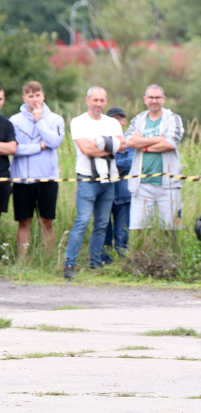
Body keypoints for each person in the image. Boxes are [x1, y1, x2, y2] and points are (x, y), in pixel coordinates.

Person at [64, 87, 126, 279]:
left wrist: (98, 144)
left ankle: (95, 263)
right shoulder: (79, 122)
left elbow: (122, 145)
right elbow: (85, 149)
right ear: (88, 100)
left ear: (105, 102)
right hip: (87, 179)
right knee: (82, 221)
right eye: (95, 100)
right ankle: (70, 263)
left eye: (102, 100)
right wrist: (108, 147)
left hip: (109, 179)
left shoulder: (112, 123)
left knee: (101, 223)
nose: (98, 104)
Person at [9, 81, 64, 259]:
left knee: (46, 222)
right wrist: (38, 147)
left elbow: (54, 142)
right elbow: (14, 149)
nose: (35, 99)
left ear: (43, 96)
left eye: (38, 95)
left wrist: (39, 120)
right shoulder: (14, 121)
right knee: (24, 222)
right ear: (25, 98)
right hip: (22, 180)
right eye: (31, 96)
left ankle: (48, 261)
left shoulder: (55, 119)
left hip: (47, 179)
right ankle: (23, 262)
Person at [125, 85, 184, 232]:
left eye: (157, 97)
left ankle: (170, 256)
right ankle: (141, 255)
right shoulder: (138, 120)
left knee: (171, 230)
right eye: (151, 97)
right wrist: (158, 139)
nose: (154, 101)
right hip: (141, 184)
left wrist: (143, 144)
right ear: (145, 99)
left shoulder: (173, 119)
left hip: (168, 184)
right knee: (139, 230)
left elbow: (170, 143)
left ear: (163, 99)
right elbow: (130, 142)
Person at [102, 107, 133, 261]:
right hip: (103, 192)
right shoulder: (100, 141)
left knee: (122, 232)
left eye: (118, 119)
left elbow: (131, 162)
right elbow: (97, 162)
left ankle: (122, 262)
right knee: (103, 230)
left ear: (124, 121)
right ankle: (104, 262)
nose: (116, 122)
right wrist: (117, 167)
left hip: (123, 193)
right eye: (112, 119)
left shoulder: (130, 141)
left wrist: (110, 166)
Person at [0, 87, 17, 223]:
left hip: (2, 177)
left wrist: (6, 148)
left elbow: (12, 148)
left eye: (0, 99)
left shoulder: (7, 124)